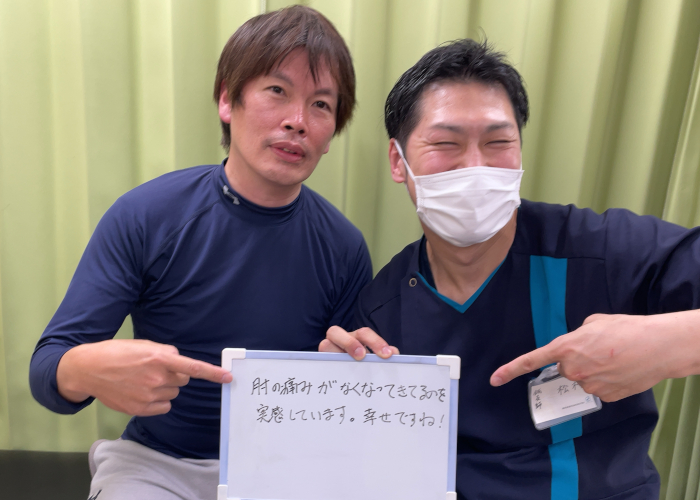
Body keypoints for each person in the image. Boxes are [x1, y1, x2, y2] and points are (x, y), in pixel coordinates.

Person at [320, 38, 700, 499]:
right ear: (399, 161)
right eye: (446, 143)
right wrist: (340, 386)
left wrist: (672, 342)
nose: (475, 166)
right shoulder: (383, 309)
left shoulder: (600, 251)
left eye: (498, 142)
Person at [30, 6, 371, 500]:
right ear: (228, 100)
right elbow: (47, 368)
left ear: (332, 131)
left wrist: (350, 366)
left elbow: (349, 400)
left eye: (320, 104)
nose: (297, 121)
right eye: (277, 91)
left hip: (285, 467)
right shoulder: (146, 215)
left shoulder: (344, 246)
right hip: (156, 464)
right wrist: (86, 368)